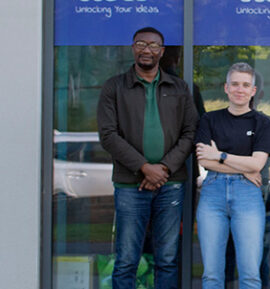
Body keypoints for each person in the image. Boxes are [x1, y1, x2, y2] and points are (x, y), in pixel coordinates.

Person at [96, 26, 198, 289]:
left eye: (153, 45)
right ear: (133, 48)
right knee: (127, 259)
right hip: (130, 185)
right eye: (141, 44)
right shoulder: (114, 87)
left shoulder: (179, 88)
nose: (147, 50)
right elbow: (108, 135)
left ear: (161, 52)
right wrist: (144, 168)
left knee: (167, 259)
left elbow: (190, 132)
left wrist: (163, 168)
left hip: (170, 184)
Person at [194, 63, 270, 289]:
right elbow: (203, 160)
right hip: (212, 194)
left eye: (245, 85)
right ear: (226, 88)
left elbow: (258, 163)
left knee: (250, 274)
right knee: (211, 275)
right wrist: (244, 166)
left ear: (253, 90)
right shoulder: (209, 120)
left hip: (248, 195)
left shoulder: (262, 123)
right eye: (235, 84)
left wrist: (219, 154)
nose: (240, 89)